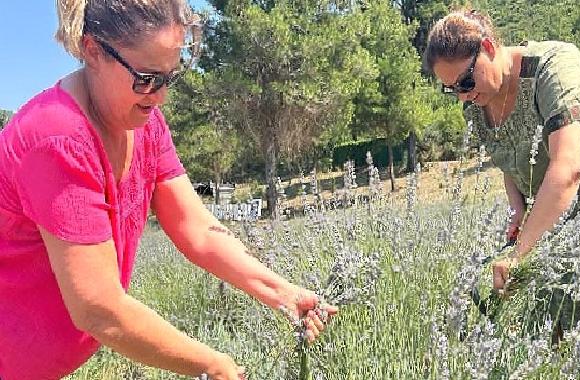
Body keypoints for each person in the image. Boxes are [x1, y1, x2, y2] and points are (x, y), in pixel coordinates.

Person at [0, 1, 336, 379]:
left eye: (169, 78)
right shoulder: (57, 140)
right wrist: (213, 367)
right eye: (146, 77)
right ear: (92, 49)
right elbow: (98, 309)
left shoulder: (144, 122)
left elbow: (195, 228)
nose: (159, 97)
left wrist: (283, 293)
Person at [423, 9, 580, 380]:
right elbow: (509, 161)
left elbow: (568, 167)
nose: (461, 97)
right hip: (560, 226)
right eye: (451, 89)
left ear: (489, 47)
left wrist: (520, 254)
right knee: (558, 344)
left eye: (462, 82)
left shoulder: (555, 68)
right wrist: (517, 210)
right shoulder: (479, 101)